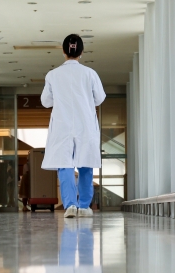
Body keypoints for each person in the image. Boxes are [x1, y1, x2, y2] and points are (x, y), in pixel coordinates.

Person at [41, 34, 106, 218]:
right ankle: (85, 207)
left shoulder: (53, 75)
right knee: (86, 164)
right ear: (81, 52)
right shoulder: (90, 73)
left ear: (63, 51)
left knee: (65, 164)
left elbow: (46, 102)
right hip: (85, 123)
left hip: (62, 124)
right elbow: (100, 98)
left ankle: (70, 205)